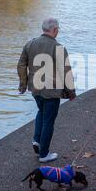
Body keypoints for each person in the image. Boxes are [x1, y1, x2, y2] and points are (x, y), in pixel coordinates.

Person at [17, 18, 76, 163]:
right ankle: (44, 154)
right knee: (49, 120)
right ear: (54, 30)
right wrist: (71, 92)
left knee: (41, 112)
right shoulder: (59, 48)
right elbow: (66, 72)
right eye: (58, 29)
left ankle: (37, 141)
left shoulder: (30, 44)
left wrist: (23, 84)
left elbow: (21, 65)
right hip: (52, 90)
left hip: (35, 88)